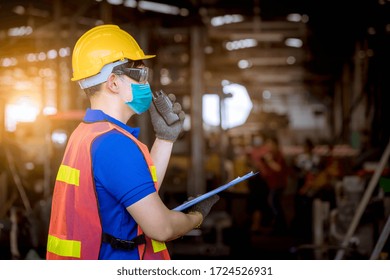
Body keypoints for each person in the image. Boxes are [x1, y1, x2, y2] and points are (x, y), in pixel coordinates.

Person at [46, 24, 219, 260]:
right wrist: (196, 217)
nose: (146, 83)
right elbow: (161, 228)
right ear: (114, 83)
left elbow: (136, 193)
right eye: (140, 74)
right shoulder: (114, 145)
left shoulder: (89, 134)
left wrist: (165, 139)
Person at [249, 134, 288, 234]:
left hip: (278, 184)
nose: (268, 146)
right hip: (271, 184)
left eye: (270, 144)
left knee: (273, 203)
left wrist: (269, 161)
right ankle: (278, 225)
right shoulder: (269, 154)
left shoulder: (277, 155)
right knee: (273, 203)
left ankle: (280, 224)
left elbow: (278, 168)